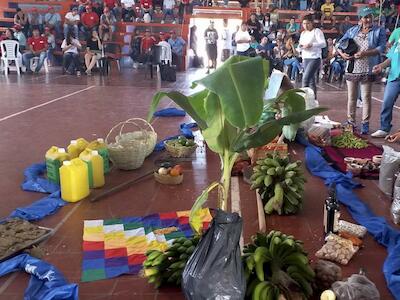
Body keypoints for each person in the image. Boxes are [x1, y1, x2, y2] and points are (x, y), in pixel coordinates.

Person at [337, 6, 386, 134]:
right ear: (361, 18)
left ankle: (365, 123)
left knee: (366, 97)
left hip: (367, 68)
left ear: (373, 17)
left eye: (370, 16)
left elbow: (381, 48)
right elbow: (339, 44)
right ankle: (351, 122)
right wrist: (342, 54)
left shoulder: (378, 31)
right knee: (352, 97)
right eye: (365, 17)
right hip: (352, 67)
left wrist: (366, 53)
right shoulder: (353, 30)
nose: (368, 19)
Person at [370, 39, 400, 137]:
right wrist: (380, 66)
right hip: (394, 77)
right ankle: (384, 128)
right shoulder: (398, 41)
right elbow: (391, 58)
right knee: (387, 102)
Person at [299, 14, 326, 98]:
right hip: (305, 58)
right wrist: (300, 47)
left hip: (314, 58)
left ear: (311, 23)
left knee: (305, 79)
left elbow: (323, 44)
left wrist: (312, 44)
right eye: (304, 24)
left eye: (307, 23)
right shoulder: (303, 33)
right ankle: (313, 100)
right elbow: (300, 45)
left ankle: (304, 99)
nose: (305, 26)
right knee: (311, 81)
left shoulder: (316, 31)